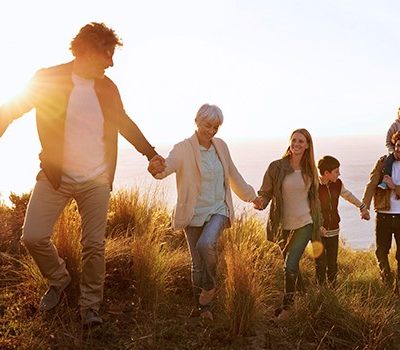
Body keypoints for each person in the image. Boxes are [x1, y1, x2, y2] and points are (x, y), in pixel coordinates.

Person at [0, 22, 165, 327]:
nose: (111, 62)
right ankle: (59, 279)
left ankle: (90, 305)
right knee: (33, 235)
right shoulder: (48, 79)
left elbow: (123, 123)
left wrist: (151, 153)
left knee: (93, 245)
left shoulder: (107, 87)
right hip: (55, 176)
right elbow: (12, 108)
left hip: (96, 181)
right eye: (107, 54)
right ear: (88, 51)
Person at [147, 103, 259, 320]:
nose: (212, 131)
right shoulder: (183, 148)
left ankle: (210, 288)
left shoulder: (221, 146)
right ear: (197, 122)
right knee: (197, 264)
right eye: (208, 125)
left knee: (206, 244)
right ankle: (203, 308)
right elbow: (166, 168)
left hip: (219, 209)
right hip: (193, 214)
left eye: (216, 127)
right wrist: (156, 169)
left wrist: (252, 197)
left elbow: (233, 175)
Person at [254, 128, 322, 318]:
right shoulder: (276, 167)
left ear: (308, 145)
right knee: (290, 265)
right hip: (282, 225)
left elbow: (314, 200)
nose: (297, 144)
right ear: (289, 142)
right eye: (294, 140)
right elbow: (266, 192)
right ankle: (303, 297)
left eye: (301, 141)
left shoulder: (310, 169)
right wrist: (261, 202)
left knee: (290, 264)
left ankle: (287, 307)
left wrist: (319, 223)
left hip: (305, 223)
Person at [316, 155, 370, 286]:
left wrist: (362, 207)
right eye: (336, 171)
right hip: (318, 231)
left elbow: (348, 195)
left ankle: (332, 290)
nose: (339, 174)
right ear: (326, 173)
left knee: (332, 263)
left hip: (334, 228)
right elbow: (308, 207)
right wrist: (317, 225)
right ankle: (321, 291)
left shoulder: (337, 184)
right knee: (320, 263)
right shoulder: (313, 186)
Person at [362, 130, 400, 293]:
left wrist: (394, 187)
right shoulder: (384, 162)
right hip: (383, 215)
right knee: (381, 253)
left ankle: (398, 290)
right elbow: (371, 184)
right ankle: (387, 283)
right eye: (398, 146)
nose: (399, 150)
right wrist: (364, 206)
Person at [378, 107, 400, 190]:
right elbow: (388, 142)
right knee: (388, 160)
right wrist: (393, 151)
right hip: (395, 151)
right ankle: (385, 181)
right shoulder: (394, 125)